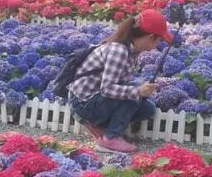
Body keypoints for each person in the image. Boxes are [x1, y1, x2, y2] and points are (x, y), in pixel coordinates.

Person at [67, 9, 171, 153]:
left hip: (94, 99)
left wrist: (137, 91)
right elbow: (107, 89)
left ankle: (102, 128)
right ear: (151, 37)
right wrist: (137, 91)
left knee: (148, 108)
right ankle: (110, 138)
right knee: (133, 94)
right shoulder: (120, 50)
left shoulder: (132, 50)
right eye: (159, 40)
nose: (159, 44)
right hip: (83, 103)